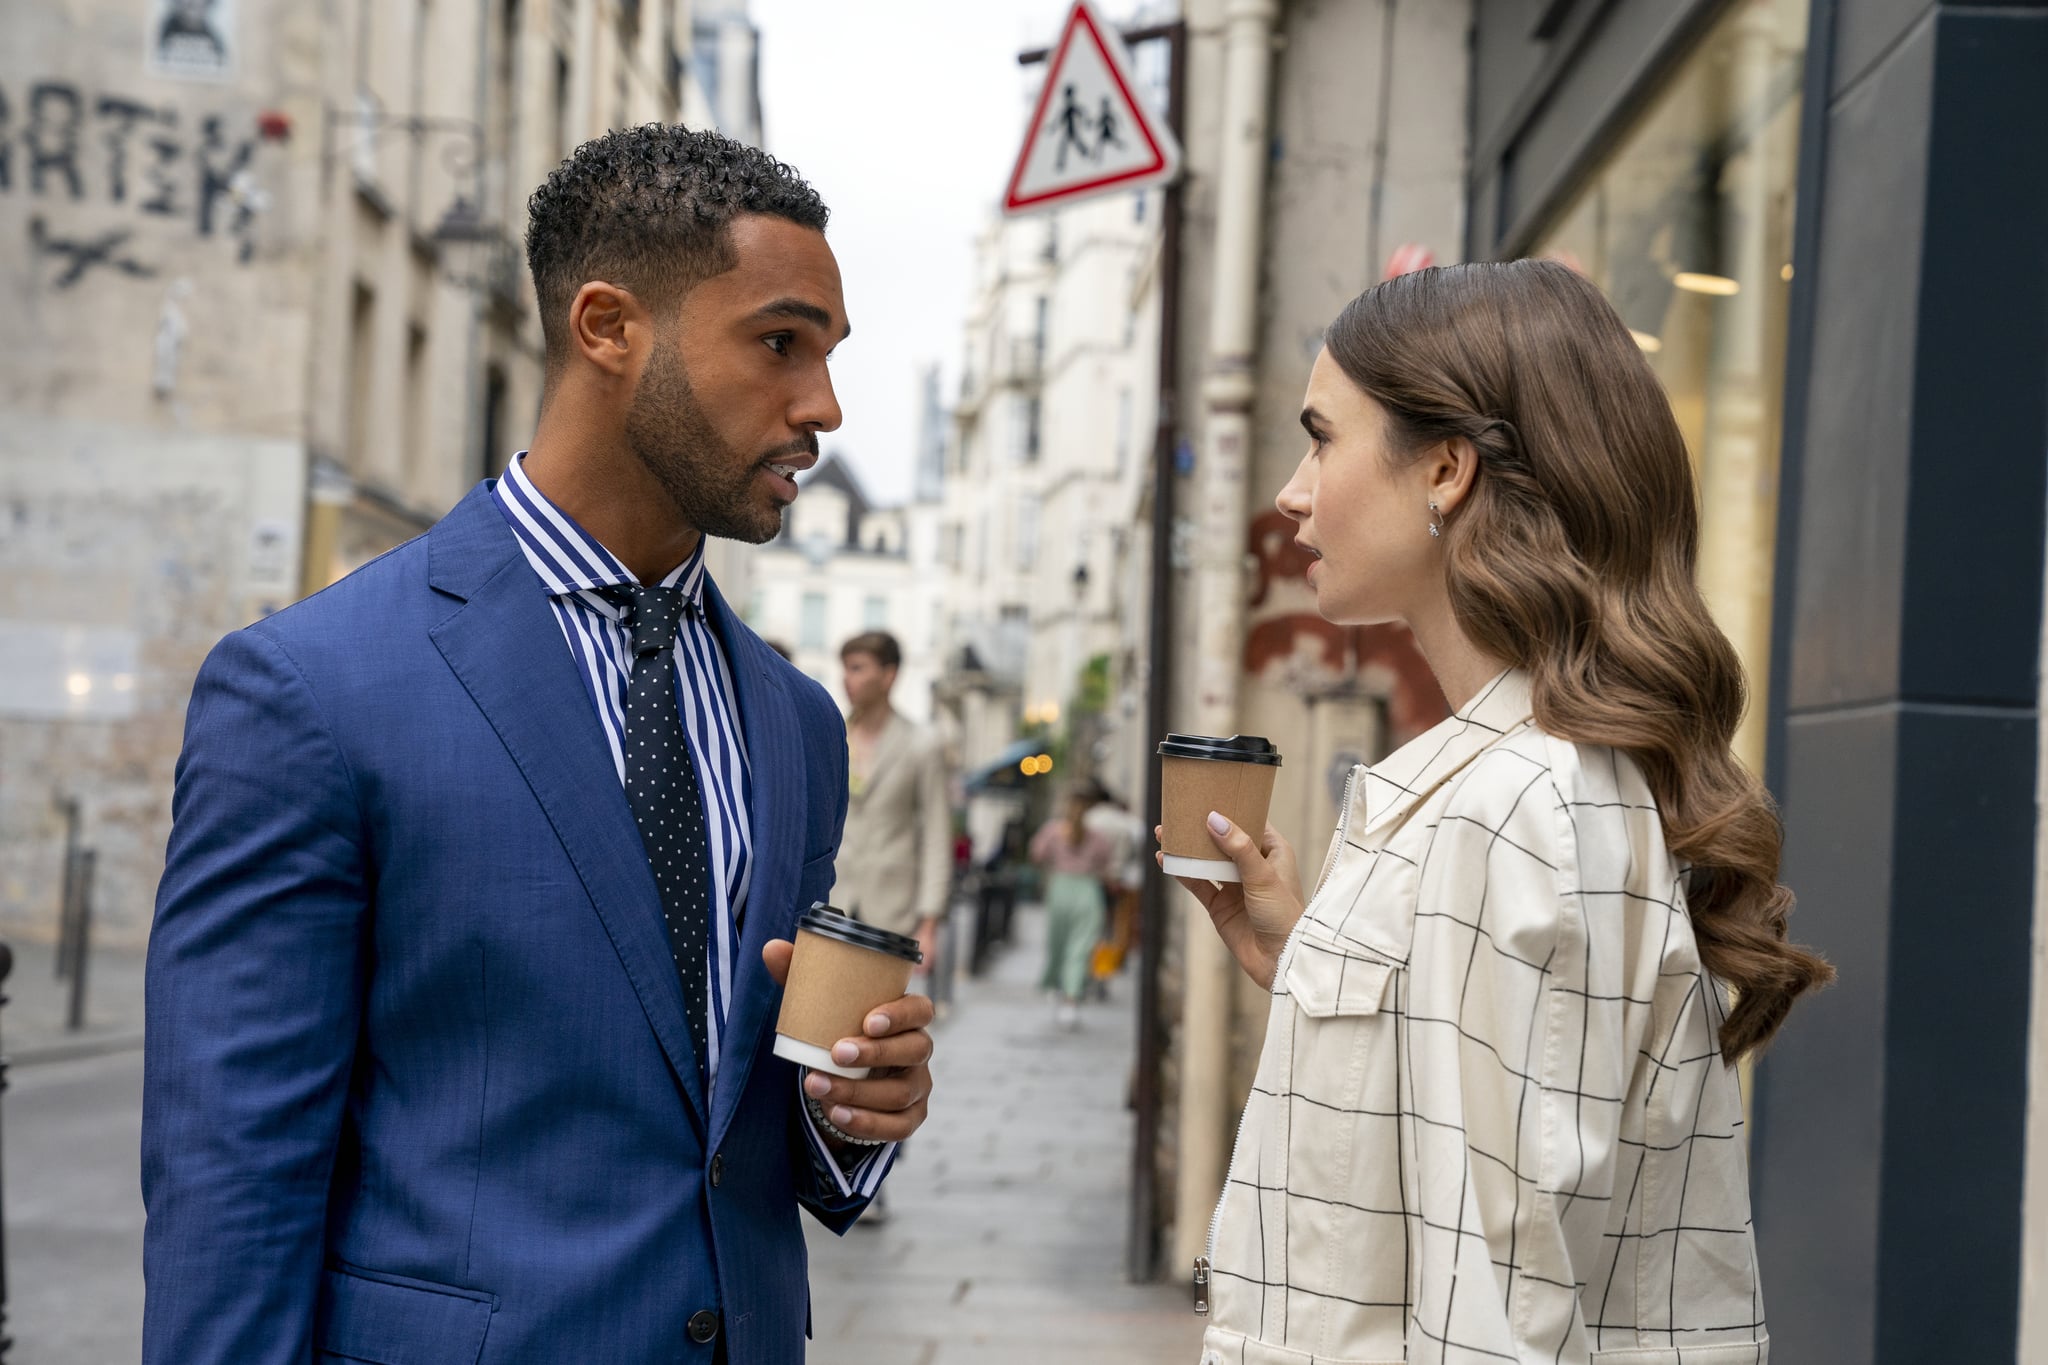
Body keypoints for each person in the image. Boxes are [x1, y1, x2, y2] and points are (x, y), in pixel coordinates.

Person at [142, 126, 934, 1365]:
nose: (821, 407)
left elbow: (718, 1113)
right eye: (780, 343)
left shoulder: (796, 723)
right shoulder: (312, 688)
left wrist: (847, 1112)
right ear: (608, 327)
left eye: (829, 356)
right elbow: (232, 1182)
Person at [1166, 259, 1832, 1363]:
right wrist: (1313, 958)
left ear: (1442, 469)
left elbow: (1498, 1312)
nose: (1291, 491)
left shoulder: (1516, 803)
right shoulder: (1503, 787)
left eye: (1321, 437)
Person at [834, 632, 954, 973]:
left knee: (875, 1022)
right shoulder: (832, 735)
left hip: (892, 913)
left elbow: (936, 835)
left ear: (889, 676)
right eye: (844, 668)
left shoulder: (922, 744)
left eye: (858, 668)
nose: (847, 679)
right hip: (831, 902)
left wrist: (929, 925)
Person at [1030, 787, 1115, 1030]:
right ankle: (1071, 998)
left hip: (1061, 888)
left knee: (1058, 943)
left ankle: (1060, 987)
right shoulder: (1096, 836)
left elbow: (1036, 854)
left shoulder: (1053, 831)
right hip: (1088, 890)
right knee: (1080, 947)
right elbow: (1106, 863)